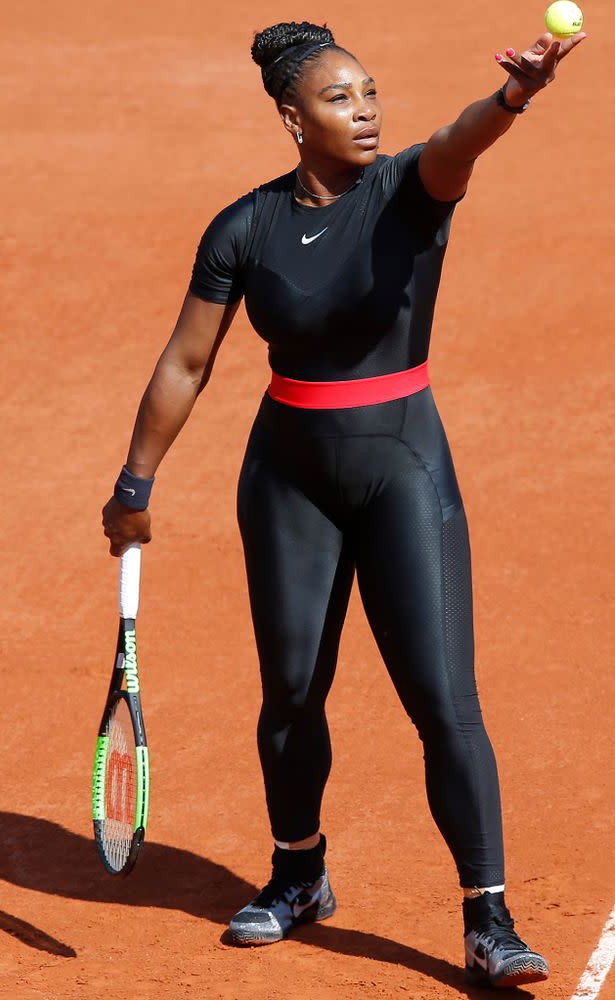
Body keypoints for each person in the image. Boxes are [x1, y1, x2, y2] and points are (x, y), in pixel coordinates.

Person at [102, 19, 586, 989]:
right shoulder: (244, 226)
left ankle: (486, 915)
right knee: (289, 694)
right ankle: (297, 873)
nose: (363, 110)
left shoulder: (409, 191)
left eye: (367, 93)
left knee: (442, 702)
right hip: (286, 474)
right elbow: (187, 359)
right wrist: (133, 481)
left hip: (401, 467)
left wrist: (513, 97)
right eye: (338, 98)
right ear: (292, 116)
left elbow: (457, 142)